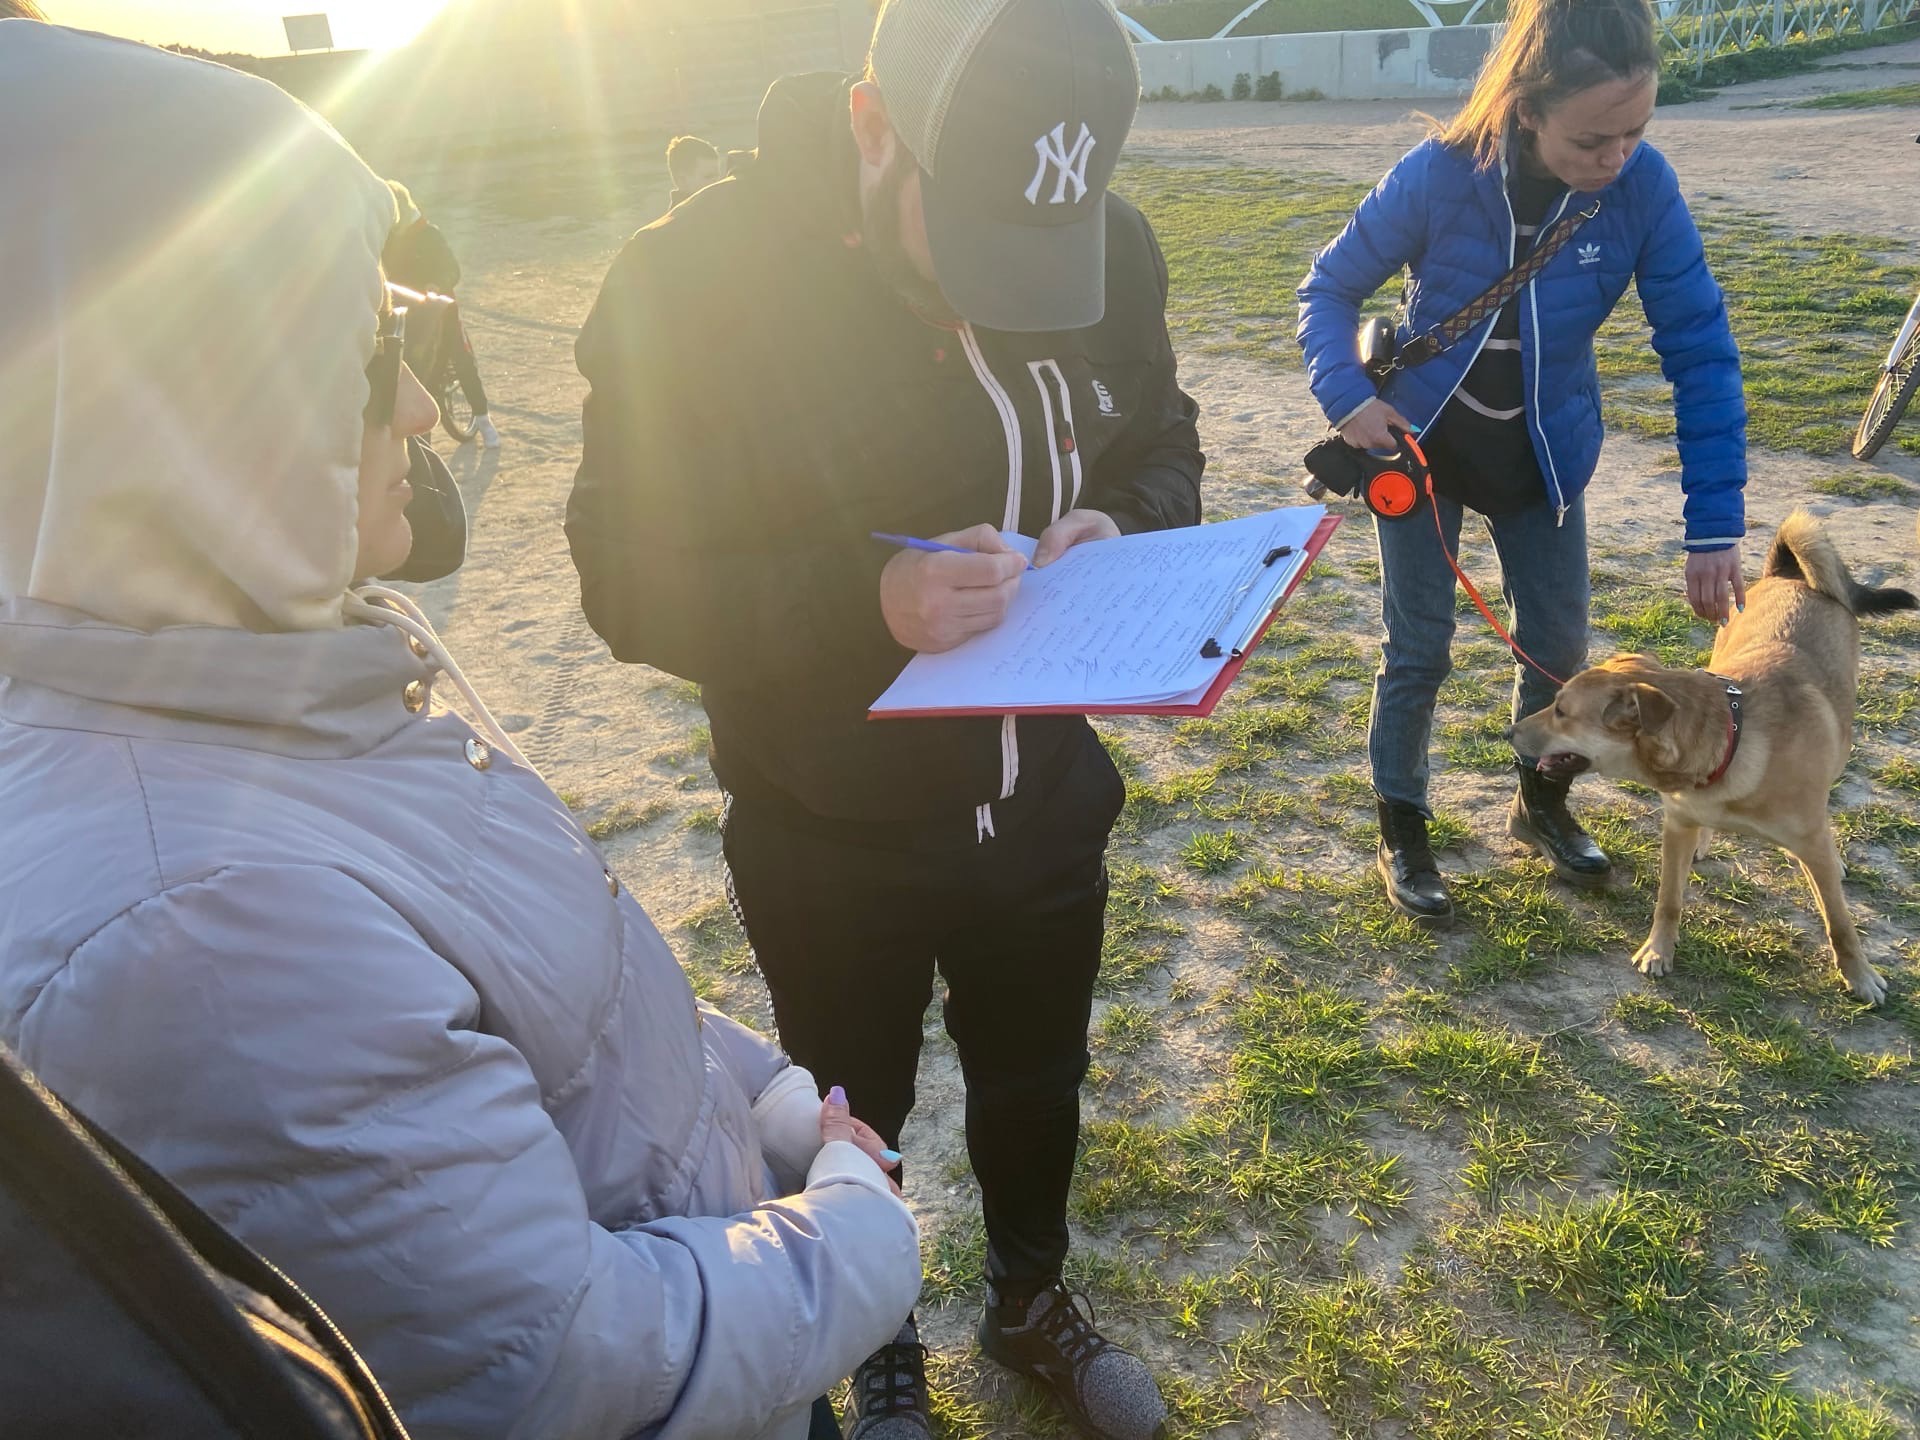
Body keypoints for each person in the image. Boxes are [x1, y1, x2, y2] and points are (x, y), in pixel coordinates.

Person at [0, 24, 920, 1440]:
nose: (426, 403)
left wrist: (776, 1097)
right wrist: (864, 1226)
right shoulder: (206, 927)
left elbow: (571, 1014)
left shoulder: (264, 696)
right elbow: (559, 1372)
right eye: (369, 352)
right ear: (183, 407)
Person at [567, 0, 1203, 1435]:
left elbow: (1161, 431)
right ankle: (877, 1336)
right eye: (970, 244)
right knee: (850, 1101)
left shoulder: (1112, 246)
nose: (997, 302)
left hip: (1044, 794)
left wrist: (1134, 522)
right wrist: (868, 600)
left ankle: (1031, 1299)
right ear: (873, 127)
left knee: (1039, 1077)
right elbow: (621, 575)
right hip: (827, 823)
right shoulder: (692, 286)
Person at [1296, 0, 1747, 923]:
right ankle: (1404, 824)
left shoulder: (1643, 189)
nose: (1616, 158)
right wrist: (1349, 399)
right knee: (1416, 650)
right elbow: (1329, 287)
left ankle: (1539, 807)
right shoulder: (1438, 175)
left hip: (1546, 463)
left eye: (1637, 131)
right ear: (1527, 109)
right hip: (1421, 462)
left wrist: (1714, 526)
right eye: (1593, 139)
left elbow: (1700, 348)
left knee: (1558, 653)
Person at [381, 179, 501, 448]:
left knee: (462, 359)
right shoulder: (388, 238)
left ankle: (483, 419)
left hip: (441, 310)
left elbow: (452, 268)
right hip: (410, 314)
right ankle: (422, 441)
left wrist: (437, 283)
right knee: (416, 373)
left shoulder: (428, 234)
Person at [667, 133, 723, 208]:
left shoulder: (711, 206)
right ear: (683, 180)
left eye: (717, 176)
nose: (717, 183)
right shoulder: (684, 217)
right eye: (708, 176)